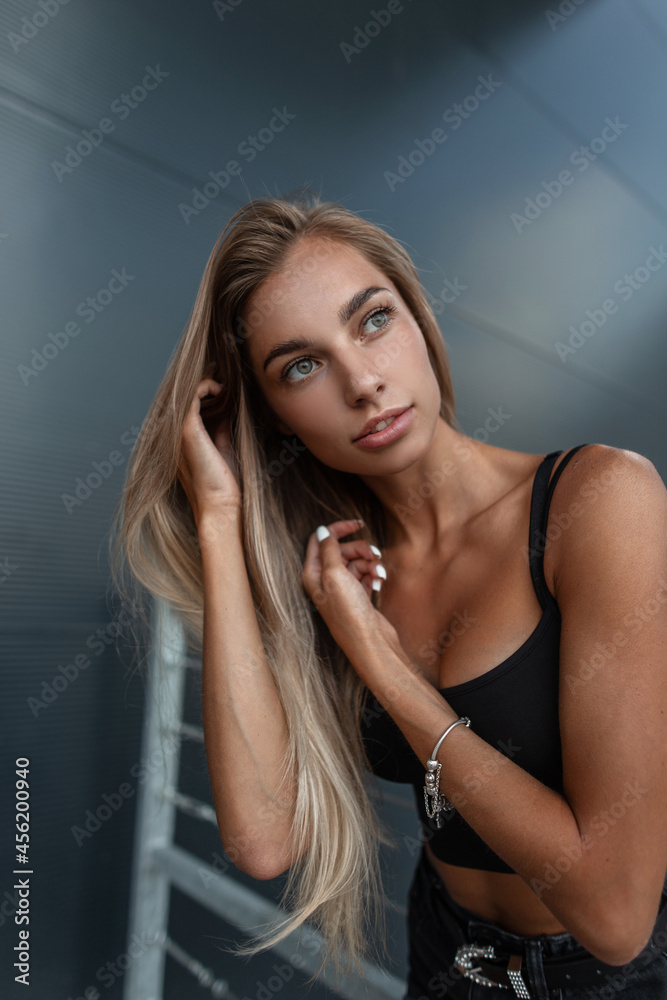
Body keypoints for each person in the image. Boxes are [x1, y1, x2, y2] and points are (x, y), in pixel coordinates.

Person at [110, 190, 667, 998]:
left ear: (417, 318)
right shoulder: (336, 572)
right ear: (275, 417)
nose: (362, 382)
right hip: (445, 957)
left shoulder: (599, 501)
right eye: (301, 366)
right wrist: (222, 518)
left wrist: (381, 660)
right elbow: (264, 840)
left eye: (371, 320)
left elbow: (614, 919)